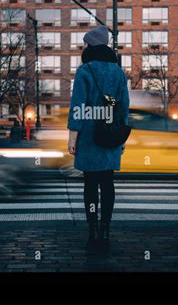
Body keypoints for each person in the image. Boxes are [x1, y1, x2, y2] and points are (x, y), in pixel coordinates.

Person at [67, 26, 129, 252]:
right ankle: (105, 229)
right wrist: (122, 139)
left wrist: (73, 137)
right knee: (108, 184)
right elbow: (123, 108)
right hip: (111, 134)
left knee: (90, 185)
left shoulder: (85, 71)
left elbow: (78, 107)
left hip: (89, 138)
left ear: (92, 46)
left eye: (86, 43)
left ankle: (92, 230)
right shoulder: (118, 72)